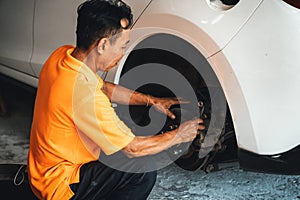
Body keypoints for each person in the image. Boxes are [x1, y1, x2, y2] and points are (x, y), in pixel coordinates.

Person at [27, 0, 205, 199]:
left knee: (118, 145)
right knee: (142, 169)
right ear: (102, 45)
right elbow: (133, 149)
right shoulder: (84, 94)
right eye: (122, 47)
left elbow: (104, 88)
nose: (122, 54)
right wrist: (180, 135)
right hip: (61, 186)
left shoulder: (62, 56)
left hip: (43, 172)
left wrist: (152, 100)